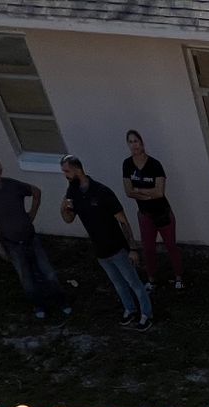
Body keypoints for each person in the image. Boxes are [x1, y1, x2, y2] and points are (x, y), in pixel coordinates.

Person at [59, 154, 152, 330]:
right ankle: (130, 309)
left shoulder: (102, 192)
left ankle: (146, 314)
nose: (65, 175)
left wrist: (132, 248)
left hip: (117, 247)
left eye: (67, 171)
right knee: (118, 283)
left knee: (134, 282)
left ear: (77, 169)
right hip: (100, 250)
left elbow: (123, 220)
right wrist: (63, 207)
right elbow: (69, 218)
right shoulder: (73, 193)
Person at [0, 154, 70, 320]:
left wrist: (31, 214)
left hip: (30, 237)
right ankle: (39, 305)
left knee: (48, 273)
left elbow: (36, 192)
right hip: (12, 243)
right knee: (26, 278)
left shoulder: (12, 185)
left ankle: (62, 301)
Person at [121, 130, 183, 291]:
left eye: (136, 141)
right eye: (130, 141)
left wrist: (140, 191)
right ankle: (152, 279)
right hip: (144, 214)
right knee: (148, 248)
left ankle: (178, 277)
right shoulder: (127, 164)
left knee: (171, 246)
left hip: (162, 213)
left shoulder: (154, 164)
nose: (134, 144)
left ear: (142, 143)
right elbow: (128, 191)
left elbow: (159, 192)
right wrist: (147, 193)